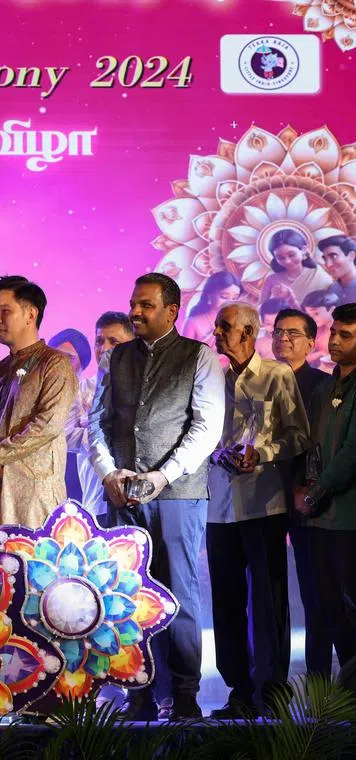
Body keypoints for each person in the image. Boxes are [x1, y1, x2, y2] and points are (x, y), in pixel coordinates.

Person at [88, 272, 225, 721]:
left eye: (145, 305)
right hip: (125, 495)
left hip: (179, 494)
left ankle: (184, 694)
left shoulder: (198, 357)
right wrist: (108, 472)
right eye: (134, 303)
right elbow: (97, 421)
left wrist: (163, 476)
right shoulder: (117, 357)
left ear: (172, 311)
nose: (135, 312)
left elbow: (206, 427)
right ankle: (139, 691)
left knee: (179, 591)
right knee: (127, 594)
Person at [207, 302, 308, 718]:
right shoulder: (211, 378)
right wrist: (218, 454)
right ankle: (238, 690)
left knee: (268, 600)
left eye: (224, 327)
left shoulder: (276, 375)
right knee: (225, 601)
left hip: (264, 503)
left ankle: (271, 690)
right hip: (218, 505)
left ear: (248, 333)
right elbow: (198, 433)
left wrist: (261, 453)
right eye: (216, 327)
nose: (216, 333)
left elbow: (299, 436)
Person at [0, 277, 76, 548]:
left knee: (32, 568)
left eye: (5, 311)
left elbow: (46, 426)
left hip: (34, 498)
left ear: (31, 314)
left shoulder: (55, 364)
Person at [272, 307, 333, 678]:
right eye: (278, 332)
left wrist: (309, 489)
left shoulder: (323, 386)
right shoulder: (259, 380)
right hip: (262, 497)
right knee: (268, 593)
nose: (284, 338)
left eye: (293, 333)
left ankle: (318, 679)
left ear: (311, 343)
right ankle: (269, 680)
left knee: (315, 591)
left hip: (307, 499)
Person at [300, 303, 356, 677]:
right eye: (333, 332)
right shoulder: (326, 386)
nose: (334, 340)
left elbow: (352, 452)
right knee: (330, 606)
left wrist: (316, 492)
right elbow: (312, 447)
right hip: (321, 519)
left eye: (345, 335)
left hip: (349, 517)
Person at [70, 313, 135, 514]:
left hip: (138, 496)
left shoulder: (144, 389)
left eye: (113, 342)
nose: (104, 349)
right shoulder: (81, 389)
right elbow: (64, 435)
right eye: (99, 341)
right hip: (96, 500)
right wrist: (101, 433)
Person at [50, 327, 93, 503]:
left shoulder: (90, 392)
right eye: (56, 356)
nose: (61, 363)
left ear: (82, 364)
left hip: (78, 475)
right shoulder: (34, 393)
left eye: (70, 358)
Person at [259, 229, 333, 307]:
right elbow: (260, 308)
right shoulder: (271, 279)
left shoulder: (319, 276)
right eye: (281, 258)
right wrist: (273, 301)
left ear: (303, 250)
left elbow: (329, 307)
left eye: (291, 255)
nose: (287, 261)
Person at [181, 271, 243, 345]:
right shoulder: (192, 323)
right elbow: (183, 351)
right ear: (209, 296)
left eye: (234, 298)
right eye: (224, 296)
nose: (230, 302)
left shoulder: (238, 323)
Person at [303, 289, 337, 370]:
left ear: (332, 310)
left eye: (316, 313)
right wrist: (319, 354)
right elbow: (302, 357)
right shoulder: (316, 330)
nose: (312, 318)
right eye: (309, 315)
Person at [320, 236, 356, 306]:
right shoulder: (332, 289)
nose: (328, 264)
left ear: (351, 255)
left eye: (333, 256)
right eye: (325, 259)